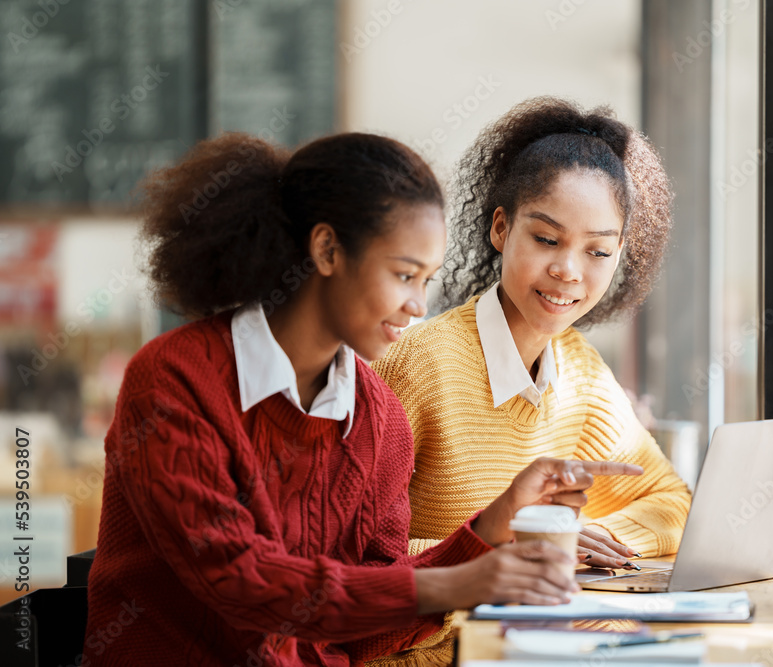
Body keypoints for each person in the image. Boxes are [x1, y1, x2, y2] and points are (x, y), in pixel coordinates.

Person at [80, 131, 642, 667]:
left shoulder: (378, 418)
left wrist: (493, 525)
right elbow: (242, 581)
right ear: (326, 249)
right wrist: (463, 580)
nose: (419, 305)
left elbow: (371, 624)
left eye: (427, 281)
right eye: (403, 275)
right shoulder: (174, 379)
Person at [374, 96, 692, 576]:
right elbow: (353, 559)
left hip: (534, 638)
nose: (568, 270)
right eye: (547, 240)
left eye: (598, 251)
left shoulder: (580, 371)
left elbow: (672, 501)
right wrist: (525, 547)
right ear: (501, 228)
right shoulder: (416, 365)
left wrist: (580, 542)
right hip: (435, 650)